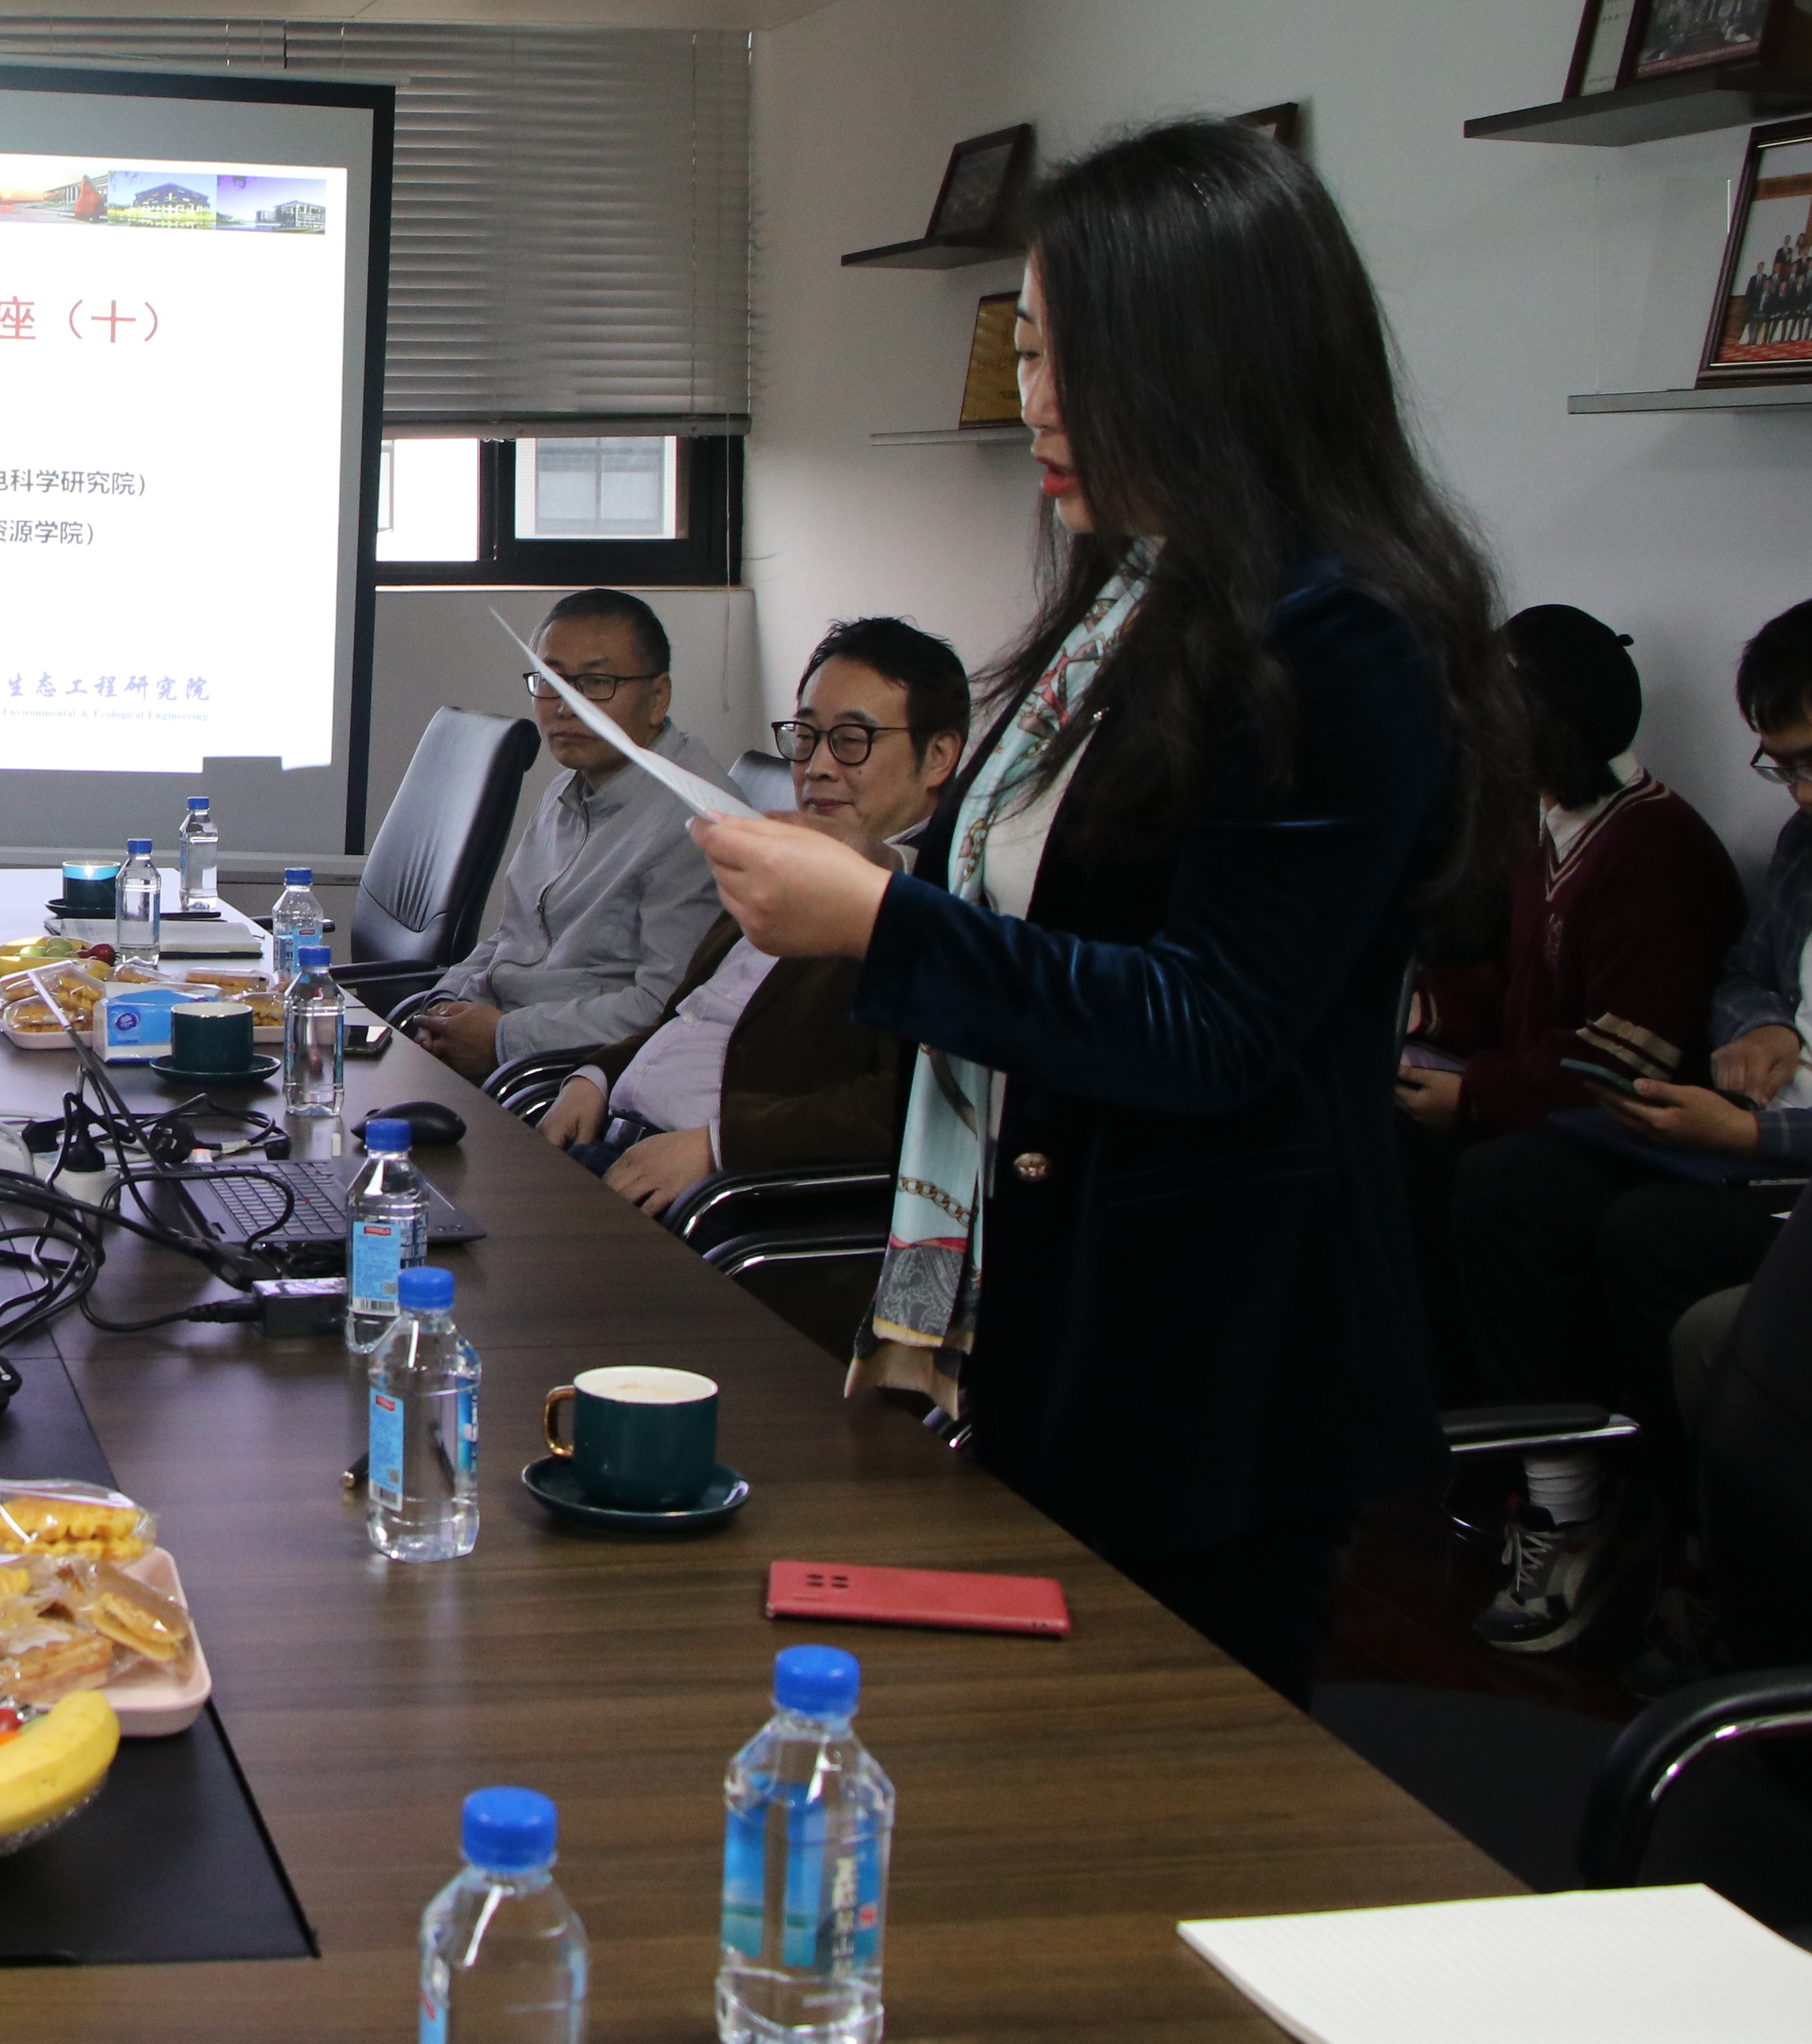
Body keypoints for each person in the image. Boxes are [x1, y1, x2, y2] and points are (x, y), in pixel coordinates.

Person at [692, 120, 1521, 1702]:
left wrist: (878, 924)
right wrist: (879, 890)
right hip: (1055, 1303)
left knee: (1160, 1772)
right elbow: (1048, 907)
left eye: (1072, 357)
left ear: (1209, 360)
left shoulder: (1341, 637)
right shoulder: (1129, 599)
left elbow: (1208, 1022)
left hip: (1210, 1346)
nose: (1035, 401)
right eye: (1024, 350)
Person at [1444, 597, 1812, 1654]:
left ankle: (1704, 1550)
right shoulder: (1803, 847)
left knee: (1646, 1236)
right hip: (1741, 1126)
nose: (1797, 793)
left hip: (1777, 1161)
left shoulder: (1653, 850)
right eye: (1782, 766)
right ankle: (1562, 1503)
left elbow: (1623, 1038)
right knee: (1508, 1190)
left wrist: (1751, 1139)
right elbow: (1743, 976)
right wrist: (1766, 1025)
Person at [536, 618, 967, 1215]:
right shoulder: (786, 859)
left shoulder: (938, 906)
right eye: (806, 737)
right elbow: (689, 1016)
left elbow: (907, 1105)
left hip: (721, 1205)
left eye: (852, 741)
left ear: (938, 755)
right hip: (613, 1137)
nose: (817, 766)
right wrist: (596, 1077)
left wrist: (718, 1148)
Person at [1400, 605, 1739, 1144]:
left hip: (1619, 1132)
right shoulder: (1555, 823)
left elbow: (1620, 1062)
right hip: (1533, 1100)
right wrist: (1422, 1010)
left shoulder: (1657, 852)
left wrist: (1473, 1097)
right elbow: (1523, 985)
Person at [406, 586, 729, 1082]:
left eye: (596, 683)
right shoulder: (568, 788)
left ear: (658, 697)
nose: (564, 708)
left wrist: (504, 1038)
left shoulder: (696, 824)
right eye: (550, 681)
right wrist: (445, 1003)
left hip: (560, 1079)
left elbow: (665, 1008)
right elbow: (512, 938)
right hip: (500, 1048)